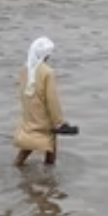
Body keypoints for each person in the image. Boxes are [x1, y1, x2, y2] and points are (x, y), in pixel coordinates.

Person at [13, 37, 75, 167]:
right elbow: (52, 100)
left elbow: (23, 94)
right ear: (46, 55)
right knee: (50, 146)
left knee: (28, 145)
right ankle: (50, 175)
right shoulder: (47, 72)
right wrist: (59, 122)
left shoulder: (25, 69)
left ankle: (17, 167)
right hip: (44, 117)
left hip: (30, 115)